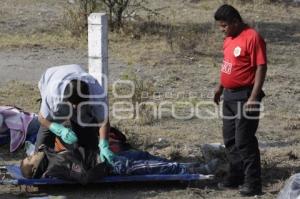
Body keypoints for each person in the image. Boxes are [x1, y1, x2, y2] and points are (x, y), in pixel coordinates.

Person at [213, 4, 267, 196]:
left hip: (246, 96)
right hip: (228, 95)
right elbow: (228, 65)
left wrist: (253, 96)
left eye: (224, 25)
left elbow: (261, 67)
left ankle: (253, 183)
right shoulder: (229, 38)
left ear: (235, 22)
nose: (222, 30)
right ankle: (235, 176)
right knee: (230, 139)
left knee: (244, 140)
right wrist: (220, 87)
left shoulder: (253, 37)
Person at [35, 64, 115, 165]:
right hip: (50, 76)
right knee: (40, 154)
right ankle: (43, 158)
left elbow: (104, 121)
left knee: (89, 146)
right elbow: (41, 118)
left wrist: (104, 145)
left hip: (76, 73)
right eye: (73, 105)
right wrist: (58, 129)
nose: (75, 108)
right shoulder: (53, 93)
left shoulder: (97, 94)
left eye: (80, 105)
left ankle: (86, 150)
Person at [20, 144, 220, 184]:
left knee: (145, 156)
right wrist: (104, 164)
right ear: (36, 168)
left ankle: (191, 165)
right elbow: (84, 177)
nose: (32, 155)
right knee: (155, 168)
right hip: (114, 167)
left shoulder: (50, 157)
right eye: (30, 159)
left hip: (110, 158)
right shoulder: (56, 167)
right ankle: (197, 171)